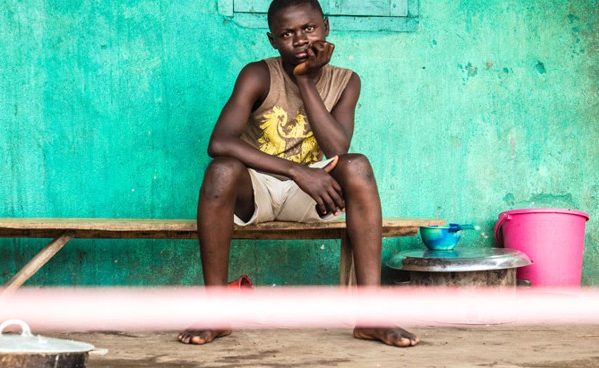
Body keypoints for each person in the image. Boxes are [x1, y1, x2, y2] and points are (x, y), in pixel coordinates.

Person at [177, 0, 419, 347]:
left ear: (326, 26)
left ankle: (371, 316)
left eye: (309, 28)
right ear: (272, 40)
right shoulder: (258, 74)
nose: (300, 39)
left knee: (358, 166)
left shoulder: (346, 81)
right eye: (287, 33)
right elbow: (219, 141)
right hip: (257, 189)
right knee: (221, 171)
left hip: (312, 195)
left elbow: (337, 148)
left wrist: (305, 80)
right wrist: (297, 171)